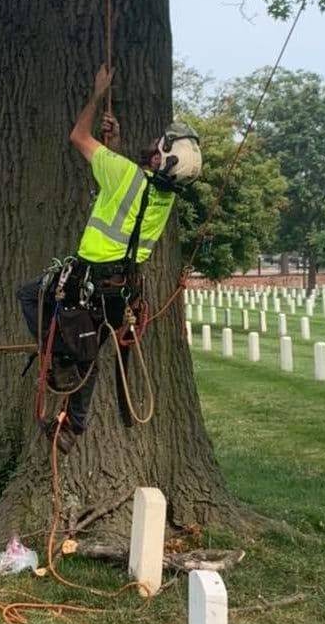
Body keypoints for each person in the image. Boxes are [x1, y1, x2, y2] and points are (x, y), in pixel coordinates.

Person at [17, 64, 201, 450]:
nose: (153, 143)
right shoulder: (162, 197)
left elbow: (78, 136)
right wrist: (113, 148)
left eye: (159, 143)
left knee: (30, 296)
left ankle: (60, 362)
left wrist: (98, 93)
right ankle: (74, 425)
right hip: (120, 294)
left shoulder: (124, 174)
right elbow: (128, 193)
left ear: (162, 157)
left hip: (89, 281)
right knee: (92, 344)